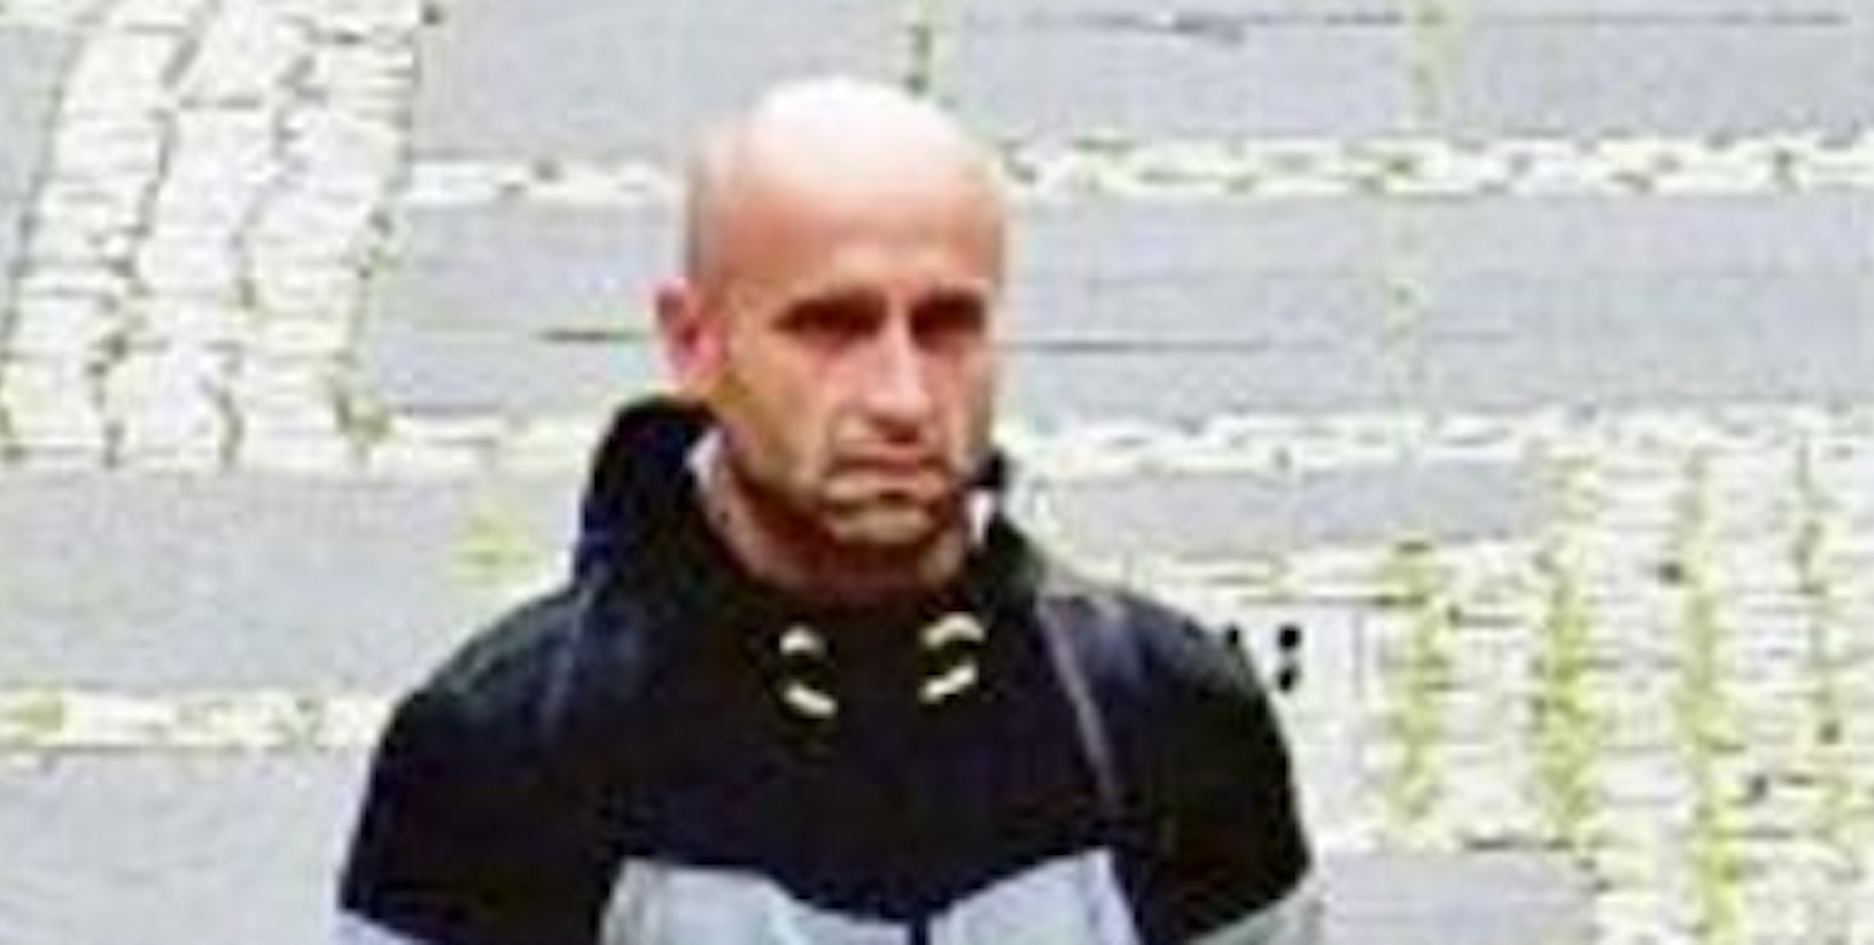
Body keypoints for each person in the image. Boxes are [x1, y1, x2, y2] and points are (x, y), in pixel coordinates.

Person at [337, 77, 1316, 945]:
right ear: (693, 342)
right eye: (830, 327)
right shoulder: (502, 760)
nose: (901, 396)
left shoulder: (1171, 724)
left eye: (946, 325)